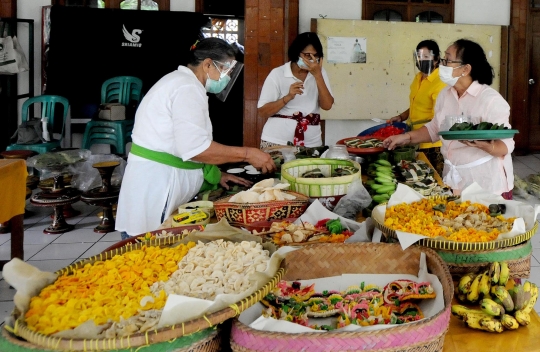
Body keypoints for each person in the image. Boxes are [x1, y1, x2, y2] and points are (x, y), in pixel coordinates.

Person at [116, 38, 277, 238]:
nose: (227, 77)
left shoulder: (180, 82)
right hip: (158, 187)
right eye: (226, 70)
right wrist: (247, 154)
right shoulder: (187, 88)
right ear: (207, 64)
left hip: (156, 182)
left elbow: (182, 143)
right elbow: (197, 149)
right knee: (148, 255)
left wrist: (216, 174)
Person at [383, 39, 514, 199]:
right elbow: (435, 128)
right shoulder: (446, 94)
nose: (442, 65)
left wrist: (485, 145)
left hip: (485, 183)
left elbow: (506, 145)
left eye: (447, 60)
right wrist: (406, 137)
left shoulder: (490, 100)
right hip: (453, 179)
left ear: (465, 69)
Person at [257, 32, 334, 148]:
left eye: (315, 55)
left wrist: (318, 76)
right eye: (307, 55)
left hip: (311, 143)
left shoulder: (320, 73)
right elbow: (262, 112)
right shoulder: (278, 73)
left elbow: (327, 105)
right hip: (276, 141)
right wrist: (287, 97)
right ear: (297, 53)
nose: (311, 59)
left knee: (312, 167)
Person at [387, 40, 447, 175]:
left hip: (432, 145)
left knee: (431, 180)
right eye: (419, 56)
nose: (421, 60)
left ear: (436, 59)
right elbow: (417, 104)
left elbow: (438, 120)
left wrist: (414, 135)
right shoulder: (418, 77)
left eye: (426, 57)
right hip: (414, 139)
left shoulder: (440, 82)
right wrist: (401, 117)